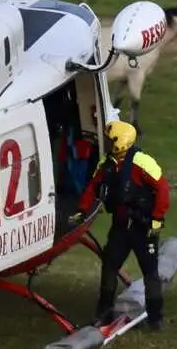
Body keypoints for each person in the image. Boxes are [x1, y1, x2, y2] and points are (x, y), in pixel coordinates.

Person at [70, 120, 171, 331]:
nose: (105, 144)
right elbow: (93, 187)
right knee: (109, 267)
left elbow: (162, 189)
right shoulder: (105, 164)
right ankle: (103, 313)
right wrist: (82, 209)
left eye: (109, 140)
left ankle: (155, 318)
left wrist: (157, 219)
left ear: (120, 142)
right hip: (120, 227)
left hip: (143, 229)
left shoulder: (142, 162)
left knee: (150, 273)